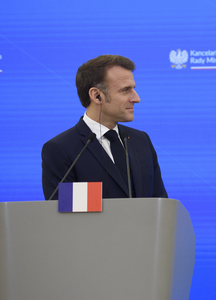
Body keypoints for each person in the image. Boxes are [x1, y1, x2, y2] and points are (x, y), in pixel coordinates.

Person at [42, 55, 167, 199]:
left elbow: (160, 204)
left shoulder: (141, 140)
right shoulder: (61, 149)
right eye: (125, 90)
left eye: (133, 88)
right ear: (96, 96)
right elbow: (65, 215)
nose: (136, 98)